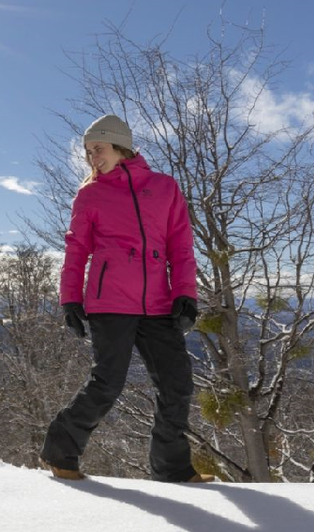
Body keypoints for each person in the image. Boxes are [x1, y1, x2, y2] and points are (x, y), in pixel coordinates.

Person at [38, 114, 212, 483]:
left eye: (97, 149)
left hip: (158, 303)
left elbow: (181, 247)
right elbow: (76, 250)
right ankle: (61, 450)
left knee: (177, 383)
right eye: (87, 152)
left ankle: (172, 468)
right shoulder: (91, 193)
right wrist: (70, 299)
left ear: (120, 145)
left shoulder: (165, 188)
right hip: (110, 301)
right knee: (108, 382)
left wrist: (185, 294)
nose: (91, 158)